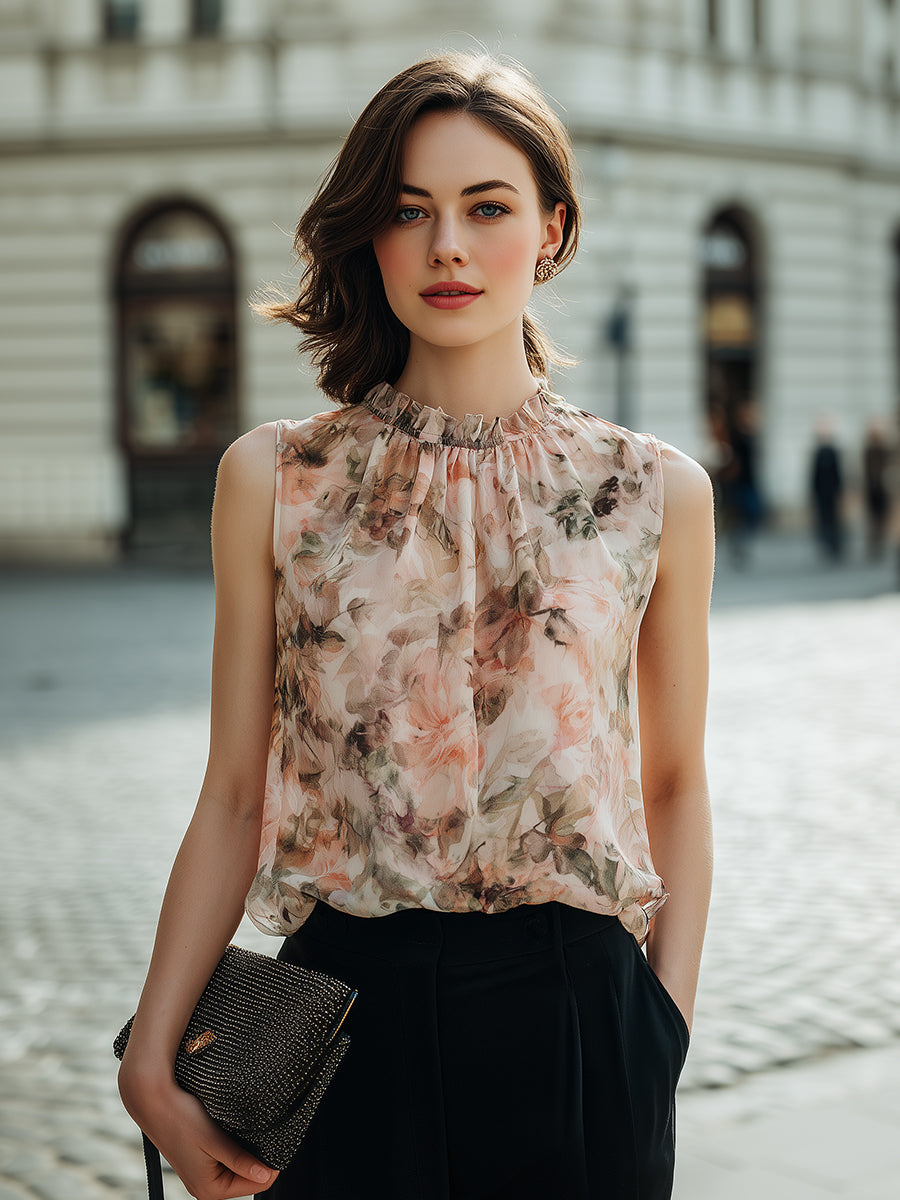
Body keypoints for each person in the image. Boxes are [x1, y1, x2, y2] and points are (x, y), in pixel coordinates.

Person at [116, 52, 715, 1200]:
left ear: (550, 229)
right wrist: (152, 1054)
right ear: (371, 236)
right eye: (408, 210)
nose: (447, 246)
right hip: (345, 1028)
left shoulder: (653, 493)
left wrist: (662, 1027)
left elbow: (677, 784)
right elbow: (234, 794)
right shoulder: (275, 480)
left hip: (580, 1027)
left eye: (486, 208)